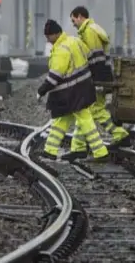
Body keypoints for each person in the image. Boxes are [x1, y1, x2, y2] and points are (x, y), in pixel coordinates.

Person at [36, 19, 109, 162]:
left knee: (85, 121)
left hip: (71, 93)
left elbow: (54, 76)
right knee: (60, 121)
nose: (47, 40)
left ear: (55, 34)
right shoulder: (74, 41)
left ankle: (101, 152)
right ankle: (50, 151)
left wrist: (41, 90)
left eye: (48, 36)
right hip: (83, 88)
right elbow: (88, 55)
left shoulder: (61, 49)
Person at [66, 6, 130, 161]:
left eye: (73, 20)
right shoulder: (92, 30)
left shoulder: (89, 32)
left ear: (80, 16)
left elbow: (95, 58)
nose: (73, 23)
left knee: (94, 111)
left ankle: (120, 135)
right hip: (99, 76)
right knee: (86, 112)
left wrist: (94, 80)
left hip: (96, 78)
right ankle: (78, 148)